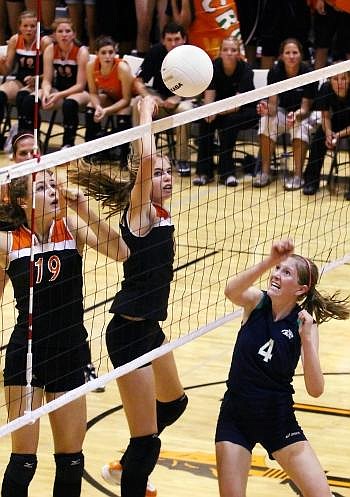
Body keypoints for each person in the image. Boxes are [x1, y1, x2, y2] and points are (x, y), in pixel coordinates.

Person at [72, 95, 188, 497]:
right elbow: (144, 157)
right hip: (127, 334)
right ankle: (129, 473)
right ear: (142, 179)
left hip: (150, 330)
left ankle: (125, 464)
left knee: (174, 404)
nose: (167, 178)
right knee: (148, 440)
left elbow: (149, 163)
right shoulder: (140, 215)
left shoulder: (162, 213)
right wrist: (143, 113)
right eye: (159, 174)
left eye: (170, 172)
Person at [0, 131, 127, 497]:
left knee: (71, 460)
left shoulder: (70, 227)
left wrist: (85, 207)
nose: (53, 192)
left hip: (71, 353)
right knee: (23, 462)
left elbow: (120, 253)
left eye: (53, 186)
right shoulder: (9, 242)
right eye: (43, 189)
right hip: (26, 354)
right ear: (24, 201)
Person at [216, 238, 350, 497]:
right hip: (236, 416)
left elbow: (316, 389)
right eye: (278, 269)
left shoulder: (304, 325)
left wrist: (307, 340)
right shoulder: (256, 302)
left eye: (285, 272)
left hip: (276, 418)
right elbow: (231, 291)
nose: (276, 275)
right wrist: (270, 260)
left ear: (300, 289)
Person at [254, 38, 318, 190]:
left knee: (300, 128)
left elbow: (305, 108)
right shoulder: (275, 72)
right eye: (287, 53)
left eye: (295, 53)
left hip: (303, 114)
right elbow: (273, 105)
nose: (291, 56)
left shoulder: (308, 73)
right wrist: (266, 109)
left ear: (301, 55)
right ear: (281, 56)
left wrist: (295, 115)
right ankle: (265, 173)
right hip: (282, 112)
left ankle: (298, 176)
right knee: (266, 121)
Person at [193, 36, 257, 187]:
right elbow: (209, 94)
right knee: (206, 121)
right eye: (225, 50)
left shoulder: (246, 70)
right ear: (220, 52)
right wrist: (209, 112)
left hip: (245, 110)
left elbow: (236, 105)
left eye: (233, 50)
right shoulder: (213, 67)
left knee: (230, 121)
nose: (229, 53)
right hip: (219, 109)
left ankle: (227, 173)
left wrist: (216, 112)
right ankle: (204, 172)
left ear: (239, 53)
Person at [132, 21, 194, 177]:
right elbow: (138, 81)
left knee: (184, 110)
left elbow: (200, 87)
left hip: (185, 97)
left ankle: (182, 160)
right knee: (136, 105)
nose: (173, 44)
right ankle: (138, 158)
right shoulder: (155, 52)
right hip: (160, 98)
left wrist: (178, 97)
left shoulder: (193, 55)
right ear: (163, 40)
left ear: (184, 39)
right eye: (169, 40)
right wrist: (149, 98)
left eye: (177, 39)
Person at [19, 17, 90, 149]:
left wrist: (58, 95)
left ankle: (67, 144)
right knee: (30, 100)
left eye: (68, 31)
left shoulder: (81, 51)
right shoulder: (51, 49)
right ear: (54, 35)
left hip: (79, 91)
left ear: (74, 34)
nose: (64, 34)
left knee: (69, 104)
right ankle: (32, 142)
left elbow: (80, 85)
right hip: (58, 89)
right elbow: (47, 79)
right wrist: (46, 92)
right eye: (60, 31)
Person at [0, 10, 51, 148]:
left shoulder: (45, 42)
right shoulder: (15, 40)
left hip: (41, 82)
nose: (29, 29)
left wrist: (37, 78)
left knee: (25, 98)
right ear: (19, 27)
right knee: (0, 94)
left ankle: (29, 138)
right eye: (26, 26)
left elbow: (52, 72)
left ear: (38, 27)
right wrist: (1, 62)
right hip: (20, 80)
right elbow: (7, 70)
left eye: (33, 26)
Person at [85, 35, 134, 167]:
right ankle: (90, 153)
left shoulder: (122, 68)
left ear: (115, 53)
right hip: (110, 97)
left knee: (123, 115)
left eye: (111, 52)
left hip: (128, 100)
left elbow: (126, 99)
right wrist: (98, 108)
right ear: (96, 54)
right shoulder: (91, 66)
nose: (108, 56)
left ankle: (124, 157)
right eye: (103, 53)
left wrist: (105, 111)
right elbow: (93, 93)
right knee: (91, 109)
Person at [303, 69, 350, 196]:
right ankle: (311, 182)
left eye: (343, 79)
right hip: (337, 120)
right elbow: (325, 116)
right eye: (335, 79)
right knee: (319, 138)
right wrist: (328, 133)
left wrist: (337, 135)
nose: (339, 83)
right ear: (330, 80)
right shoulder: (325, 88)